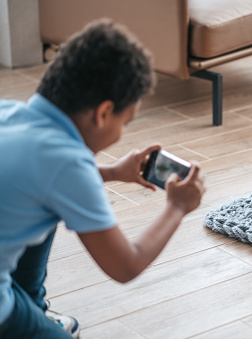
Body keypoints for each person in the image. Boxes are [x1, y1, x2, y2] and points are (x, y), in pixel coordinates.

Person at [0, 20, 205, 339]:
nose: (122, 131)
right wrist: (177, 208)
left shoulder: (9, 114)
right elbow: (126, 266)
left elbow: (39, 178)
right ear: (103, 113)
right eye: (126, 121)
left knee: (44, 206)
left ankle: (32, 306)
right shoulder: (67, 164)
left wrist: (111, 172)